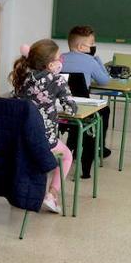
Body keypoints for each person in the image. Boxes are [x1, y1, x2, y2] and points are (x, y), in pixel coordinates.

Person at [11, 40, 76, 214]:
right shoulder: (57, 80)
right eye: (58, 57)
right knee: (66, 156)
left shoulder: (22, 76)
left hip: (19, 137)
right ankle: (52, 195)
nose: (61, 60)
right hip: (43, 140)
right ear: (50, 64)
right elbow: (71, 109)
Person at [59, 25, 112, 170]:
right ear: (82, 47)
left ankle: (72, 144)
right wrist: (98, 60)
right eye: (92, 44)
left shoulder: (59, 58)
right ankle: (99, 147)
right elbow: (104, 81)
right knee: (105, 111)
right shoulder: (90, 61)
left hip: (59, 108)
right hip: (82, 108)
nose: (94, 46)